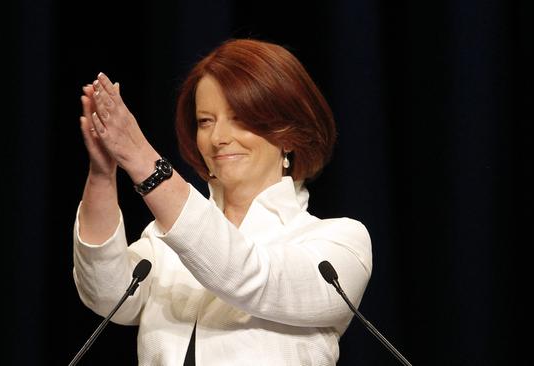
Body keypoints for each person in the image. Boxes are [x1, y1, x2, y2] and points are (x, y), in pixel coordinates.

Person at [72, 38, 372, 365]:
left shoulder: (340, 244)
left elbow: (247, 275)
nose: (218, 138)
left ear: (288, 133)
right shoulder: (164, 239)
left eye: (240, 118)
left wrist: (142, 159)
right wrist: (103, 174)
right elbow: (106, 294)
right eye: (205, 121)